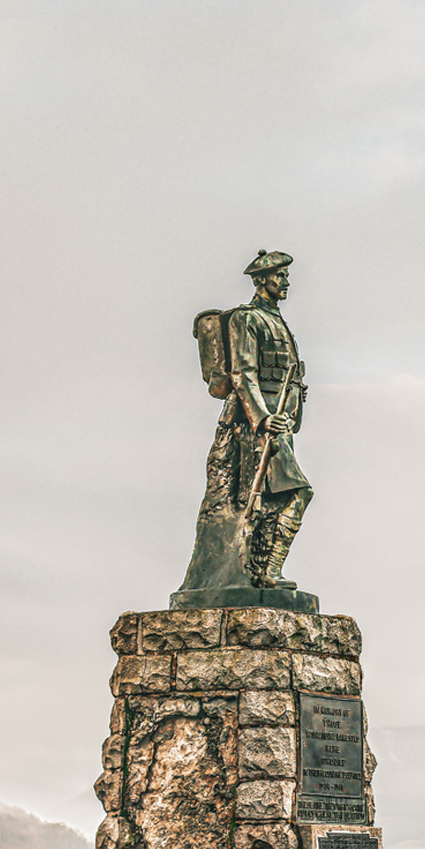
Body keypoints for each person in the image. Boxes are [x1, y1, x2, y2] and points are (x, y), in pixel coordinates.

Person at [175, 251, 314, 601]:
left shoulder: (277, 321)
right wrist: (262, 418)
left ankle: (264, 571)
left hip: (279, 422)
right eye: (279, 276)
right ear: (261, 279)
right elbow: (243, 373)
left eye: (285, 276)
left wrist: (287, 417)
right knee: (291, 493)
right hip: (254, 426)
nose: (285, 282)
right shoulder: (248, 319)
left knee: (276, 497)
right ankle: (265, 571)